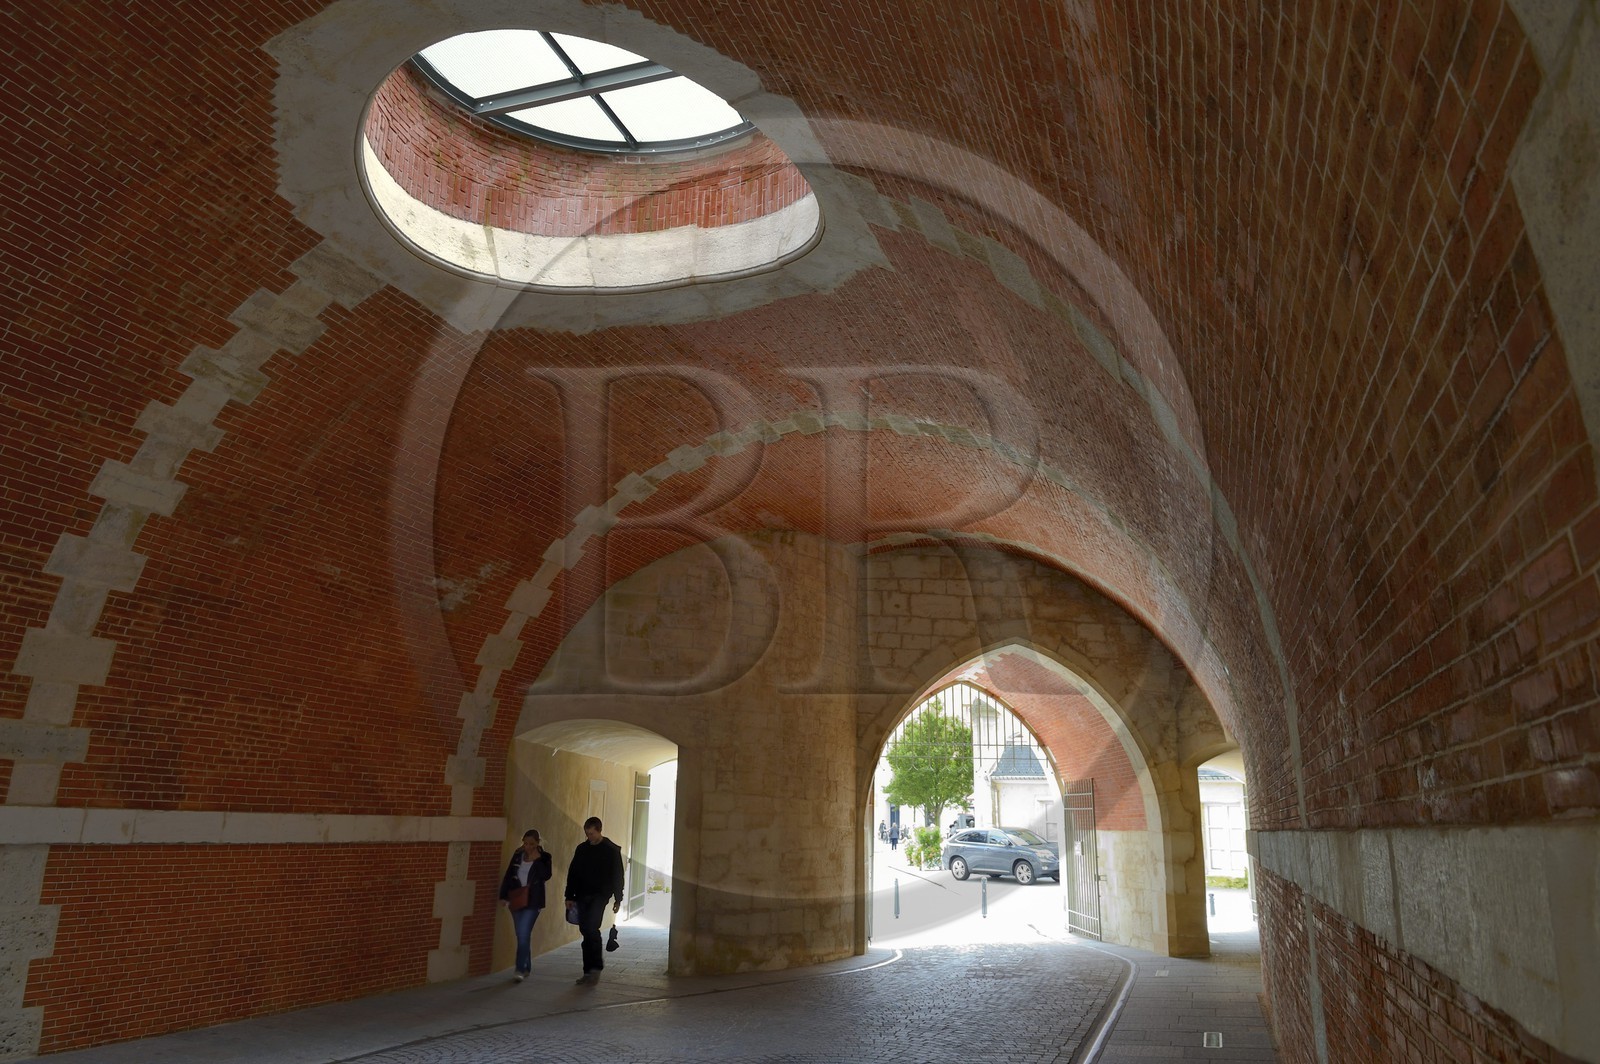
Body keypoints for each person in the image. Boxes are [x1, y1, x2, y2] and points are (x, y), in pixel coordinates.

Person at [565, 816, 625, 985]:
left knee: (591, 928)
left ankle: (595, 967)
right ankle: (588, 970)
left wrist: (617, 899)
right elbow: (573, 873)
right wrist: (569, 896)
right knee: (585, 931)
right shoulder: (582, 849)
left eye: (591, 833)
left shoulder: (611, 850)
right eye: (587, 833)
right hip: (582, 894)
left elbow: (617, 875)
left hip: (600, 895)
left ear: (599, 831)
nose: (589, 837)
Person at [498, 828, 552, 982]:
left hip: (533, 902)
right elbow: (509, 875)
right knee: (521, 935)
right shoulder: (517, 855)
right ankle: (526, 965)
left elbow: (546, 876)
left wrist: (538, 858)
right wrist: (503, 895)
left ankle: (519, 969)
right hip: (516, 899)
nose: (528, 847)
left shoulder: (545, 858)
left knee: (522, 933)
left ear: (537, 844)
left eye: (531, 844)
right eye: (526, 843)